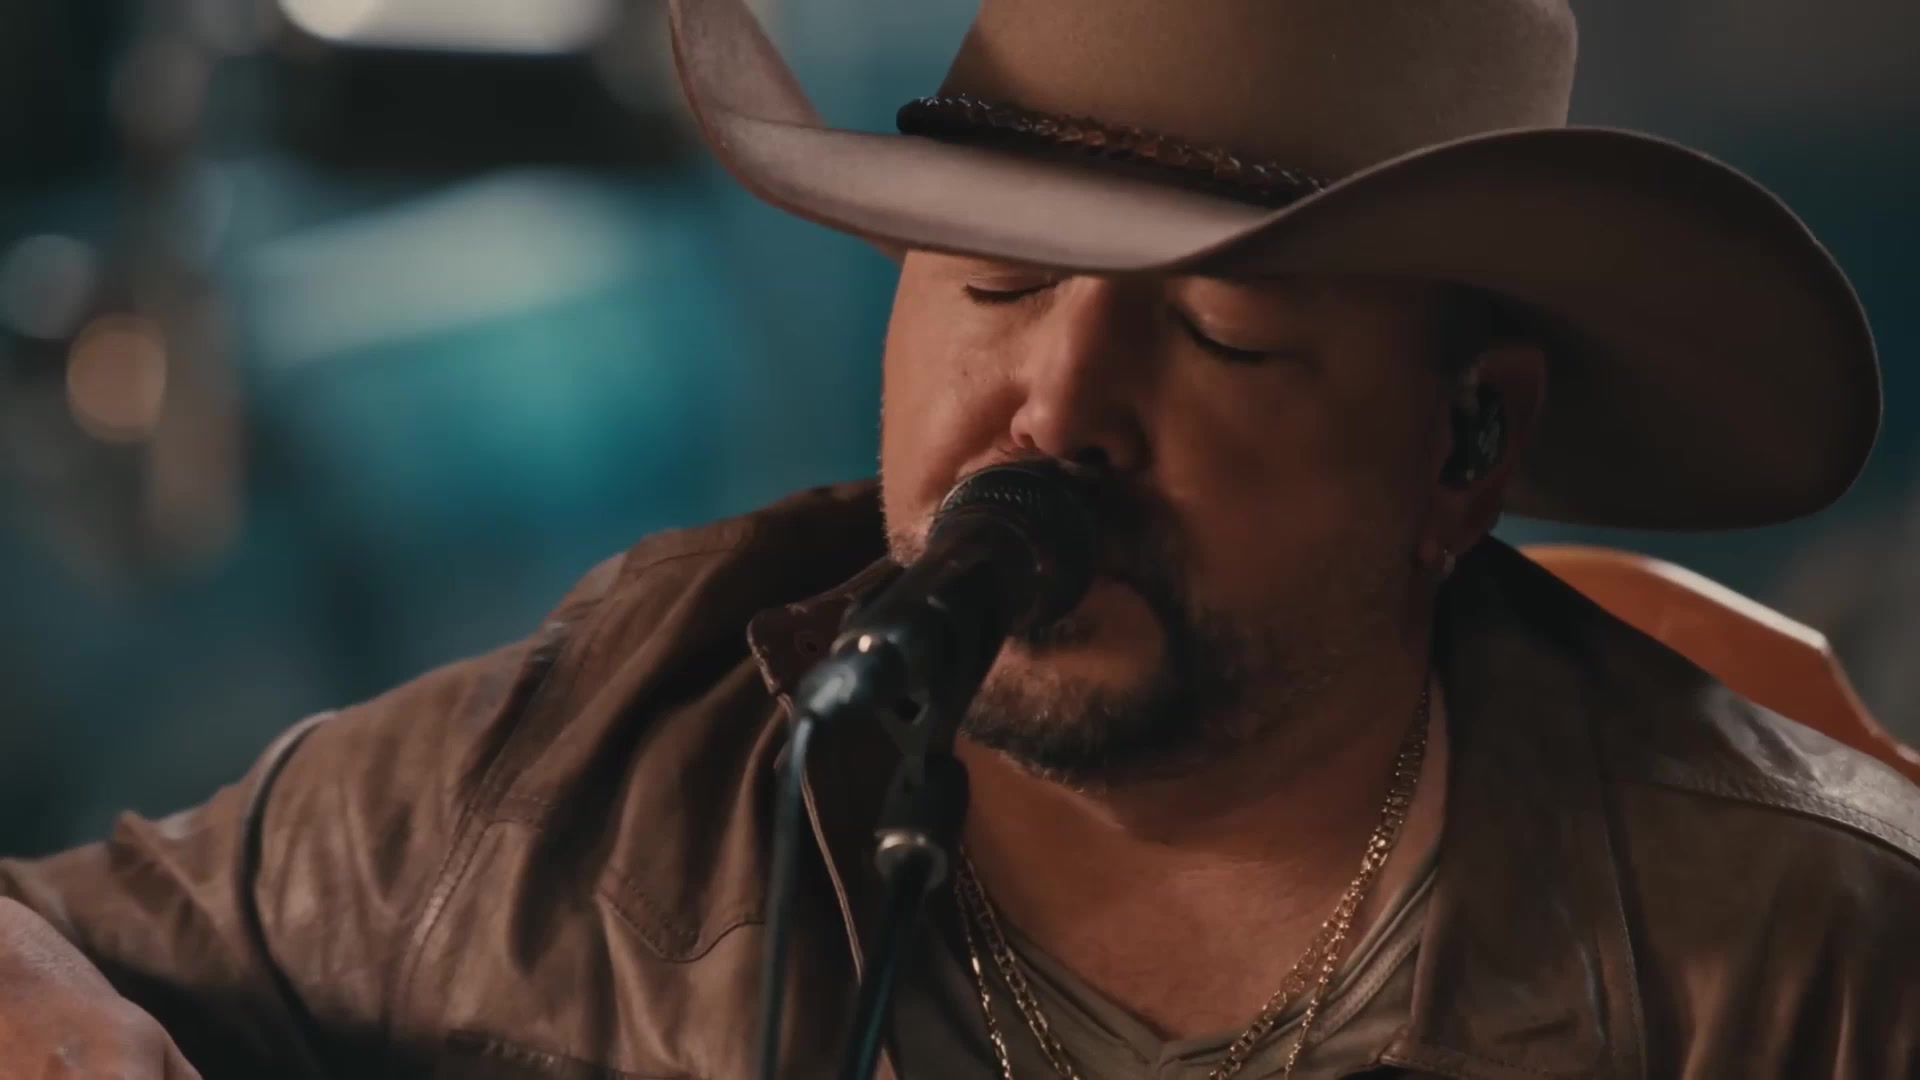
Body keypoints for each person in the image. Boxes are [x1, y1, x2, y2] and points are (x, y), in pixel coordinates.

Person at [3, 0, 1916, 1077]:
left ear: (1464, 445)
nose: (1057, 408)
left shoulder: (1810, 969)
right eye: (995, 281)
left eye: (1219, 331)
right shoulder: (590, 775)